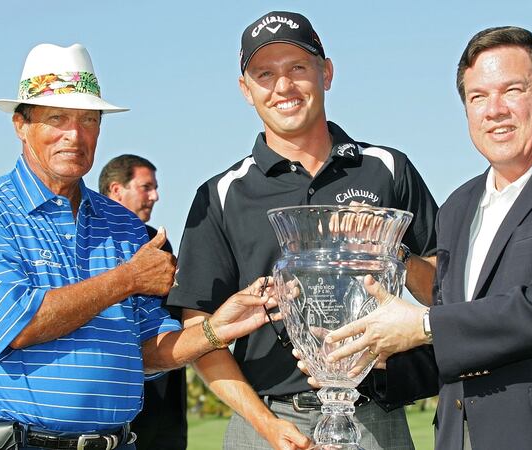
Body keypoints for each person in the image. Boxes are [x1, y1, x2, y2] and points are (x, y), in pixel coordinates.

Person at [0, 42, 277, 450]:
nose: (74, 135)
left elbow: (149, 353)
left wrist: (214, 329)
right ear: (20, 125)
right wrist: (128, 279)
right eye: (57, 118)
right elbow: (17, 324)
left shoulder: (122, 224)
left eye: (88, 120)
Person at [321, 26, 532, 449]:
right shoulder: (457, 206)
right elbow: (467, 337)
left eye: (511, 90)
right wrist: (371, 362)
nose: (494, 110)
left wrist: (420, 324)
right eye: (478, 97)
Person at [168, 10, 438, 450]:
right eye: (264, 74)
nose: (283, 87)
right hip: (265, 423)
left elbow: (444, 289)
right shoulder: (220, 194)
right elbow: (200, 330)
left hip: (372, 417)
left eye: (298, 68)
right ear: (246, 90)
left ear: (326, 72)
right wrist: (266, 426)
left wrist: (394, 253)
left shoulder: (387, 169)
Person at [99, 154, 188, 450]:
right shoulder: (90, 241)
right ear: (116, 190)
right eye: (146, 187)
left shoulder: (158, 241)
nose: (156, 196)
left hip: (166, 388)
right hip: (114, 389)